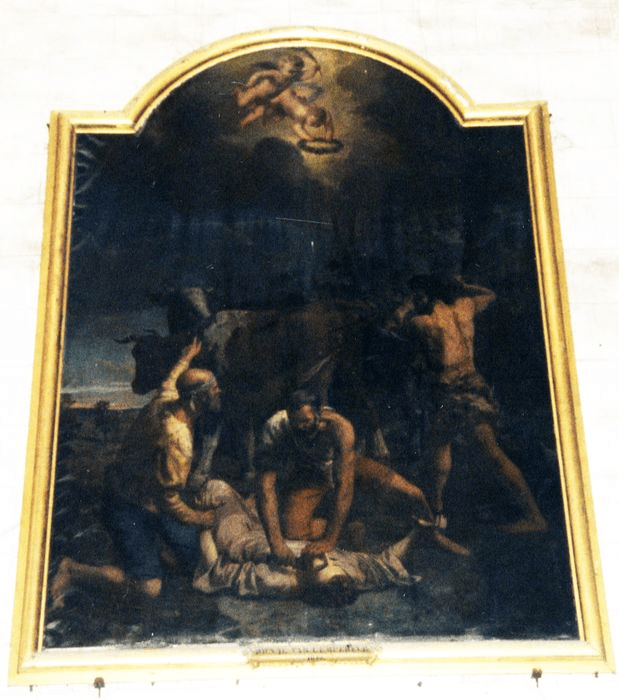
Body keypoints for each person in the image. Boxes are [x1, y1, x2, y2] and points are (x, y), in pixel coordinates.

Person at [50, 338, 223, 608]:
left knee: (196, 561)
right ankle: (72, 569)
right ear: (198, 398)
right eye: (214, 389)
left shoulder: (167, 399)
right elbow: (170, 500)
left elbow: (170, 381)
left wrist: (186, 357)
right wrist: (201, 517)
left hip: (148, 497)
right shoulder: (178, 441)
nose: (219, 392)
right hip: (127, 504)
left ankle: (160, 549)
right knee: (149, 589)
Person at [386, 274, 548, 534]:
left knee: (485, 452)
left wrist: (406, 305)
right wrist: (462, 287)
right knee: (441, 443)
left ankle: (533, 517)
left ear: (426, 295)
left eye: (418, 295)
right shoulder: (466, 306)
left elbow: (392, 325)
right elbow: (490, 295)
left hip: (453, 393)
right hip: (474, 386)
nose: (417, 299)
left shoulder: (422, 323)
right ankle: (436, 512)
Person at [254, 390, 470, 566]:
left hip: (346, 467)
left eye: (307, 422)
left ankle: (433, 536)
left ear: (320, 413)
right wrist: (276, 544)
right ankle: (351, 526)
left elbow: (345, 485)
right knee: (292, 531)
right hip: (310, 476)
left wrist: (330, 540)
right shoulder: (274, 427)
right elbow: (265, 486)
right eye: (296, 424)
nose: (301, 429)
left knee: (414, 494)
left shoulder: (340, 427)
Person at [191, 479, 422, 601]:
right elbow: (386, 562)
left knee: (215, 487)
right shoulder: (346, 575)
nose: (322, 557)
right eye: (331, 561)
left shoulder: (276, 581)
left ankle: (243, 508)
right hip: (272, 530)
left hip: (240, 536)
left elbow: (215, 571)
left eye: (318, 565)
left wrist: (204, 525)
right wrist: (418, 532)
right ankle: (249, 507)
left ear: (310, 583)